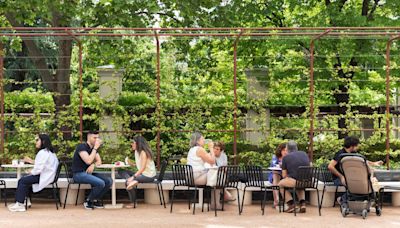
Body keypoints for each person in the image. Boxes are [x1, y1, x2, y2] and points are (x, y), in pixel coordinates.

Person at [8, 134, 59, 212]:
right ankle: (25, 201)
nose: (36, 142)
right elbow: (43, 165)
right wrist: (31, 164)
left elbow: (38, 169)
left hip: (44, 176)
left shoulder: (42, 153)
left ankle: (20, 204)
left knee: (22, 180)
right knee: (26, 179)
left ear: (43, 141)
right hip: (49, 175)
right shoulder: (50, 152)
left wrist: (31, 171)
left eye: (37, 140)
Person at [328, 136, 383, 205]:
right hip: (339, 178)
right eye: (357, 145)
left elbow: (363, 160)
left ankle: (363, 201)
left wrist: (374, 163)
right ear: (352, 146)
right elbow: (330, 166)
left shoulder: (353, 153)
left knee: (364, 183)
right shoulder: (340, 154)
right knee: (355, 185)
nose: (358, 147)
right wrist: (341, 177)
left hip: (351, 178)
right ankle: (343, 199)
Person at [71, 130, 112, 210]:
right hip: (78, 174)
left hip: (88, 173)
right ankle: (88, 201)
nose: (97, 140)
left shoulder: (93, 148)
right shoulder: (81, 147)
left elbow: (99, 161)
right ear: (89, 137)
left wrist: (93, 165)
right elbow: (88, 160)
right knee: (100, 183)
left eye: (98, 138)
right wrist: (95, 148)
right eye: (94, 138)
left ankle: (95, 199)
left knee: (108, 181)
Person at [119, 136, 156, 209]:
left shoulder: (143, 152)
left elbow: (143, 168)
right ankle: (131, 181)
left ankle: (133, 203)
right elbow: (141, 164)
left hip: (148, 176)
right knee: (121, 171)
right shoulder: (137, 151)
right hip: (142, 174)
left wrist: (133, 177)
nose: (131, 144)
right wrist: (131, 164)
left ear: (138, 144)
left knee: (128, 182)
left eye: (133, 143)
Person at [187, 132, 218, 208]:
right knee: (218, 176)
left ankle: (217, 202)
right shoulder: (200, 149)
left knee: (215, 176)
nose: (204, 140)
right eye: (202, 139)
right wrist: (211, 148)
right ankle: (216, 204)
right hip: (196, 178)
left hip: (190, 177)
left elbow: (208, 161)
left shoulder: (192, 149)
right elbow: (212, 161)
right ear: (197, 141)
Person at [278, 140, 310, 213]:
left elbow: (284, 175)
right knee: (299, 183)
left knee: (280, 184)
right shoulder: (304, 154)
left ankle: (291, 204)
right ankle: (302, 204)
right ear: (296, 147)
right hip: (309, 182)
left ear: (287, 149)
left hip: (296, 182)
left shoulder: (286, 158)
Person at [268, 143, 288, 208]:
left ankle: (287, 201)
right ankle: (276, 200)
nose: (285, 152)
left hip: (285, 176)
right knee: (275, 175)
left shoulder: (289, 158)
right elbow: (274, 166)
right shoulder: (275, 157)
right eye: (284, 150)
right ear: (280, 150)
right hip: (275, 176)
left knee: (281, 180)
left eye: (286, 150)